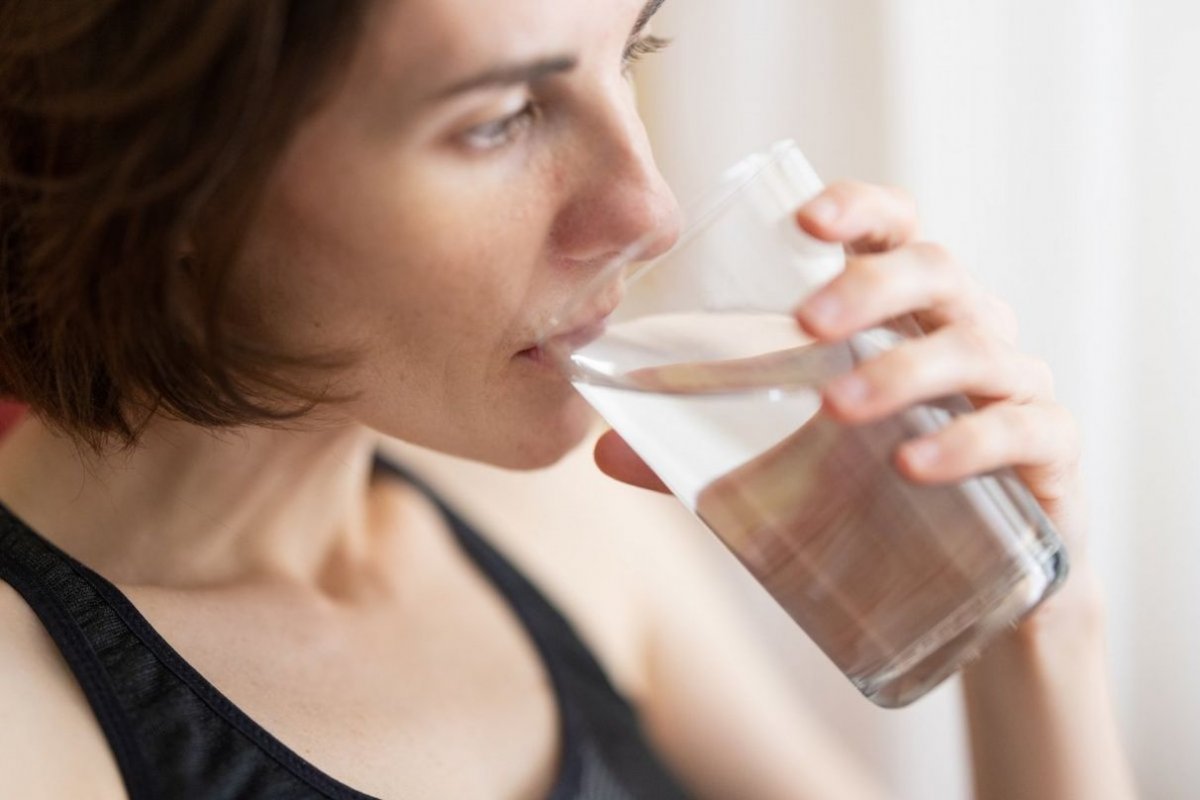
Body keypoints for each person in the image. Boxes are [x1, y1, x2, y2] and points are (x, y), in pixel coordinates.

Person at [0, 1, 1137, 798]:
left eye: (631, 47)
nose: (649, 206)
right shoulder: (31, 720)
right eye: (498, 117)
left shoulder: (555, 519)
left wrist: (1037, 623)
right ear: (164, 175)